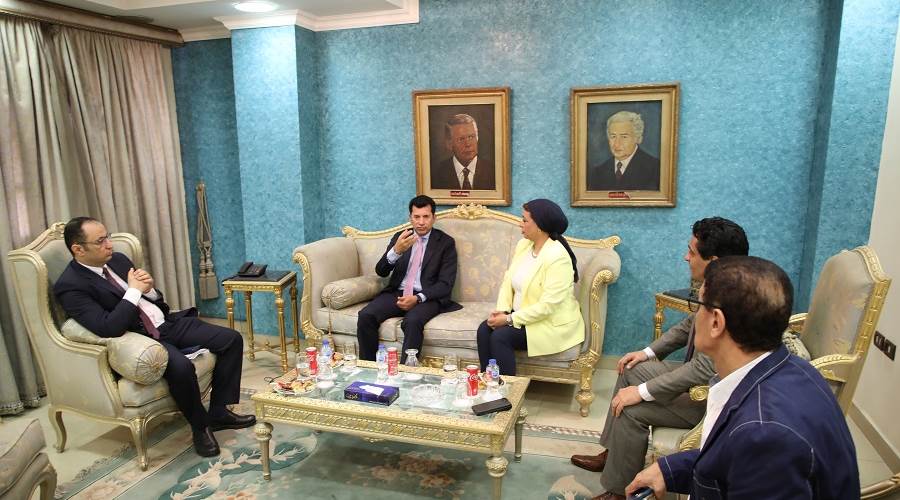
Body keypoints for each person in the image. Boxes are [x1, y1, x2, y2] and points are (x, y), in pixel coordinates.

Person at [626, 256, 859, 499]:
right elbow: (731, 460)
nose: (695, 316)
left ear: (716, 322)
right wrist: (669, 469)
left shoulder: (765, 435)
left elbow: (752, 454)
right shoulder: (796, 369)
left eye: (699, 305)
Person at [571, 216, 749, 500]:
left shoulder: (730, 302)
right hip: (698, 378)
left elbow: (702, 370)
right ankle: (615, 454)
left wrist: (641, 393)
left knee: (629, 408)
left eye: (691, 252)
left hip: (709, 397)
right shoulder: (723, 285)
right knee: (632, 367)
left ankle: (618, 492)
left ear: (714, 261)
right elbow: (688, 326)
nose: (686, 257)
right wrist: (647, 352)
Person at [53, 217, 254, 458]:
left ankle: (219, 413)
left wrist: (150, 291)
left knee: (231, 339)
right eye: (100, 241)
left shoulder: (118, 260)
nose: (109, 244)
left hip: (165, 324)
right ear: (78, 249)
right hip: (140, 340)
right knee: (181, 367)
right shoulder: (70, 286)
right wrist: (134, 290)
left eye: (108, 236)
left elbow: (153, 299)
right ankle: (200, 427)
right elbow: (108, 327)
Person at [476, 199, 584, 375]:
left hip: (549, 323)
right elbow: (508, 280)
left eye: (525, 220)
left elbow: (548, 306)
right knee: (484, 329)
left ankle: (507, 388)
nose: (520, 224)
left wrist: (509, 319)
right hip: (523, 315)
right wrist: (503, 310)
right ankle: (488, 382)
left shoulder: (558, 257)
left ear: (540, 226)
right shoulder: (524, 245)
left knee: (500, 336)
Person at [357, 195, 460, 363]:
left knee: (412, 321)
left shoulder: (445, 243)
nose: (421, 222)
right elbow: (381, 271)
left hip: (427, 297)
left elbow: (445, 284)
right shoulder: (401, 238)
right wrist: (396, 251)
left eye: (426, 217)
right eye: (416, 217)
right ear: (410, 218)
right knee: (366, 315)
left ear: (434, 218)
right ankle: (368, 368)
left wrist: (417, 298)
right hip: (397, 292)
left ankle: (407, 371)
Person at [586, 111, 660, 191]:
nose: (617, 144)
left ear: (638, 139)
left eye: (624, 137)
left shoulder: (656, 169)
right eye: (613, 136)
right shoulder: (598, 172)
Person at [430, 113, 496, 190]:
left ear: (477, 138)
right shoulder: (435, 174)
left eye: (471, 137)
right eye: (461, 139)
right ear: (449, 144)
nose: (468, 144)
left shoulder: (493, 171)